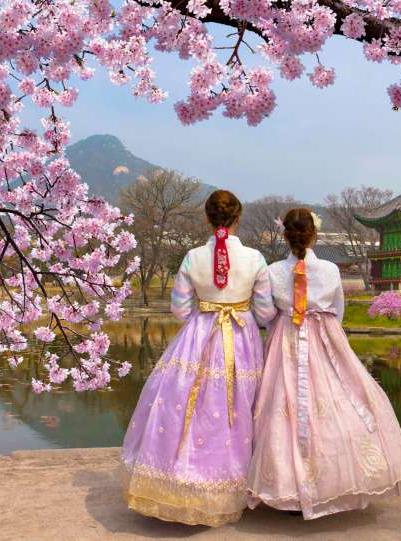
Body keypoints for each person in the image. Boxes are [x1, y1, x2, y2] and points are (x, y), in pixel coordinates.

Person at [247, 208, 401, 519]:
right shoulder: (329, 270)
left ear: (284, 236)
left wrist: (283, 321)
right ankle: (328, 483)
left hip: (286, 338)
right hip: (325, 337)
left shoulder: (272, 271)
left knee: (280, 407)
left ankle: (289, 488)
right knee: (338, 401)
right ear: (314, 235)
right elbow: (336, 310)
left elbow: (266, 315)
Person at [121, 190, 276, 526]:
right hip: (239, 340)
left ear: (208, 218)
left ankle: (180, 481)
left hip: (199, 337)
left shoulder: (192, 257)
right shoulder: (255, 259)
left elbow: (178, 308)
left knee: (189, 408)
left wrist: (206, 309)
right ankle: (230, 486)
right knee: (235, 409)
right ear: (238, 218)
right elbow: (265, 312)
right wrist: (240, 308)